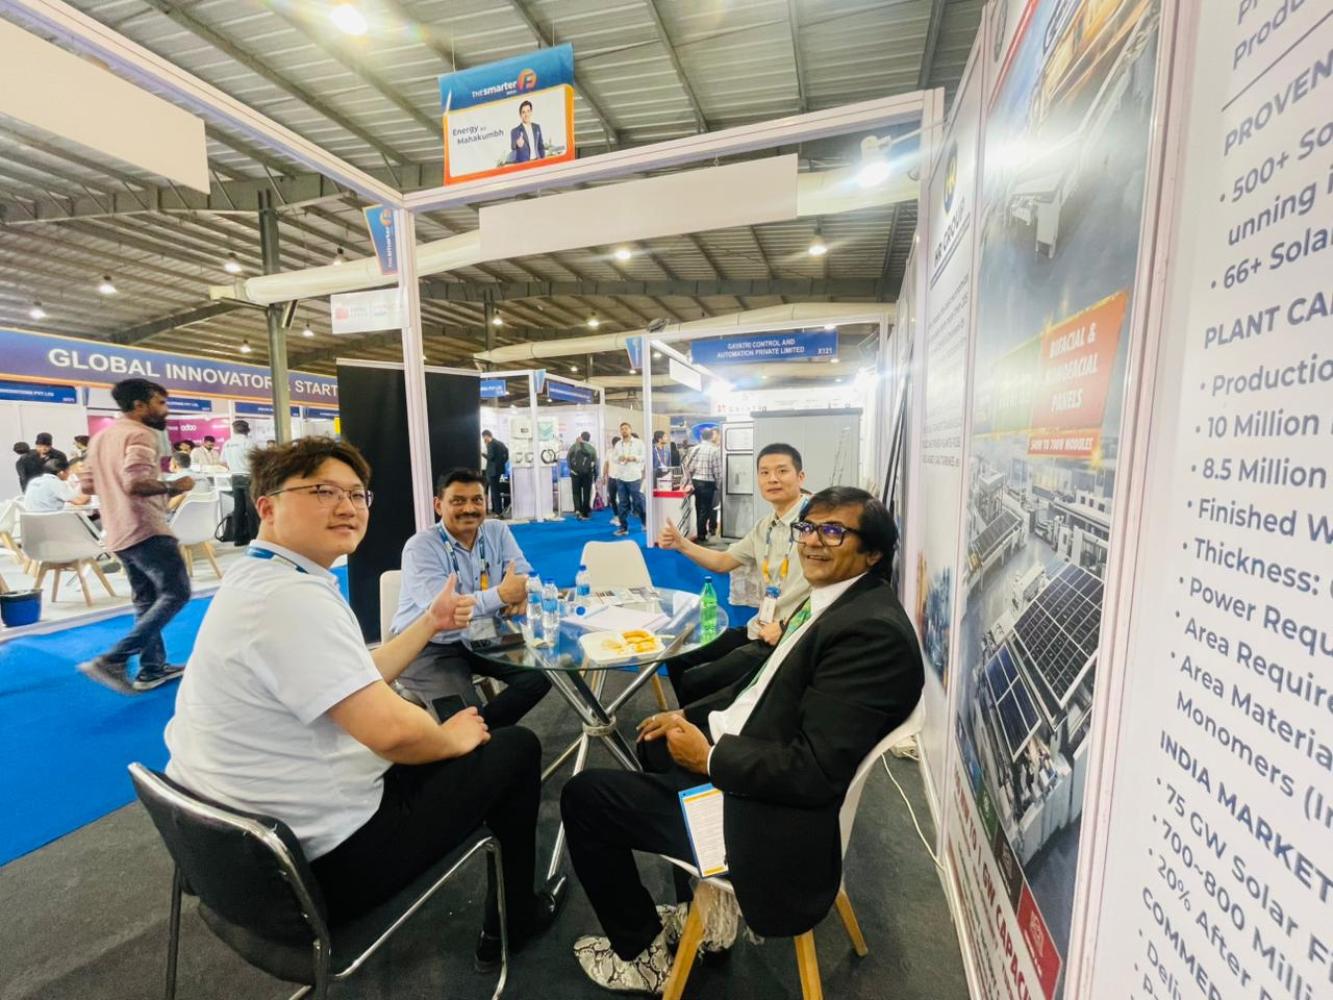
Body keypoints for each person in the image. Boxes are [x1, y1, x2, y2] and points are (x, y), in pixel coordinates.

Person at [163, 437, 565, 968]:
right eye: (323, 492)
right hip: (313, 871)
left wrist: (431, 621)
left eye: (356, 494)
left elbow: (358, 675)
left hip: (228, 857)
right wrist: (448, 739)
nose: (347, 507)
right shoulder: (291, 597)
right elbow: (392, 733)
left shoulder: (260, 578)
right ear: (267, 507)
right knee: (513, 750)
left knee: (490, 720)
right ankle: (513, 921)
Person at [561, 486, 924, 993]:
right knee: (655, 741)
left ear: (874, 553)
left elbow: (814, 771)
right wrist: (685, 715)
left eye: (833, 531)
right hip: (759, 761)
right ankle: (705, 917)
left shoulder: (871, 635)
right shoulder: (840, 602)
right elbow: (761, 688)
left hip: (770, 822)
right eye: (808, 528)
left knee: (584, 798)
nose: (812, 542)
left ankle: (640, 955)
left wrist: (710, 758)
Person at [392, 469, 551, 727]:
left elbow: (526, 575)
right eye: (458, 501)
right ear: (438, 505)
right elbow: (445, 612)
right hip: (427, 645)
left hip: (481, 632)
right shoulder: (420, 546)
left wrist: (524, 592)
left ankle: (484, 735)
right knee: (466, 718)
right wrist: (502, 594)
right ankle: (475, 735)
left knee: (541, 674)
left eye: (477, 500)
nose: (469, 508)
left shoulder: (497, 531)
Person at [657, 444, 811, 704]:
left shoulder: (815, 525)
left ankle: (700, 723)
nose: (772, 479)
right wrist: (681, 544)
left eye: (782, 471)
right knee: (677, 651)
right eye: (764, 473)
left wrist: (787, 625)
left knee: (698, 681)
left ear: (800, 477)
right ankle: (692, 720)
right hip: (760, 627)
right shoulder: (765, 526)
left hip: (791, 635)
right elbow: (722, 561)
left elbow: (835, 589)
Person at [76, 378, 195, 694]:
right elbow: (136, 482)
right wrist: (175, 485)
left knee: (146, 599)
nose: (165, 409)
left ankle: (151, 669)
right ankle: (114, 659)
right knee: (176, 592)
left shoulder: (100, 438)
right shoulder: (141, 434)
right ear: (140, 405)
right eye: (161, 403)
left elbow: (87, 485)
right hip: (145, 527)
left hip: (117, 530)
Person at [681, 428, 721, 541]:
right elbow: (717, 471)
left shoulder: (694, 449)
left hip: (696, 482)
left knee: (698, 507)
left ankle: (700, 532)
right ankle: (701, 534)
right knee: (705, 509)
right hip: (708, 483)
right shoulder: (714, 450)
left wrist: (688, 481)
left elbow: (688, 467)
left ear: (701, 437)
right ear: (711, 437)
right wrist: (719, 485)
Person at [221, 419, 257, 545]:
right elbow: (255, 461)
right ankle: (254, 537)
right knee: (251, 508)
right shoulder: (249, 443)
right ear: (247, 430)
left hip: (235, 477)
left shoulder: (227, 443)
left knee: (238, 508)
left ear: (234, 430)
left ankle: (238, 538)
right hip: (248, 476)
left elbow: (223, 461)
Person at [610, 422, 646, 538]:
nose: (624, 430)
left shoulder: (639, 443)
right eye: (622, 429)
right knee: (622, 503)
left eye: (626, 428)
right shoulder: (618, 444)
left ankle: (645, 523)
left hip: (634, 477)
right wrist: (619, 458)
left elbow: (644, 456)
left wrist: (634, 458)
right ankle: (623, 527)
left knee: (638, 502)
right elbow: (613, 458)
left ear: (630, 430)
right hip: (620, 477)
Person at [23, 455, 91, 512]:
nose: (69, 473)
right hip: (51, 519)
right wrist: (90, 487)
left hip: (31, 518)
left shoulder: (34, 481)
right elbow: (79, 501)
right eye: (68, 471)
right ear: (61, 472)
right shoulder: (56, 483)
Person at [568, 431, 597, 520]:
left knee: (576, 492)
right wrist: (595, 474)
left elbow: (568, 458)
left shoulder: (574, 446)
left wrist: (572, 469)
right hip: (587, 473)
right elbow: (594, 462)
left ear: (581, 437)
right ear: (589, 438)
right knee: (586, 492)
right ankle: (585, 512)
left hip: (575, 473)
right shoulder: (592, 448)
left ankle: (577, 510)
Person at [482, 431, 509, 517]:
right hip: (501, 471)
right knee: (501, 490)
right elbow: (507, 454)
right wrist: (502, 463)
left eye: (484, 437)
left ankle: (498, 512)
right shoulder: (501, 443)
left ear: (486, 436)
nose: (484, 439)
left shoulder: (490, 444)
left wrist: (483, 454)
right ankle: (501, 509)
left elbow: (490, 457)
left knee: (495, 492)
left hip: (492, 472)